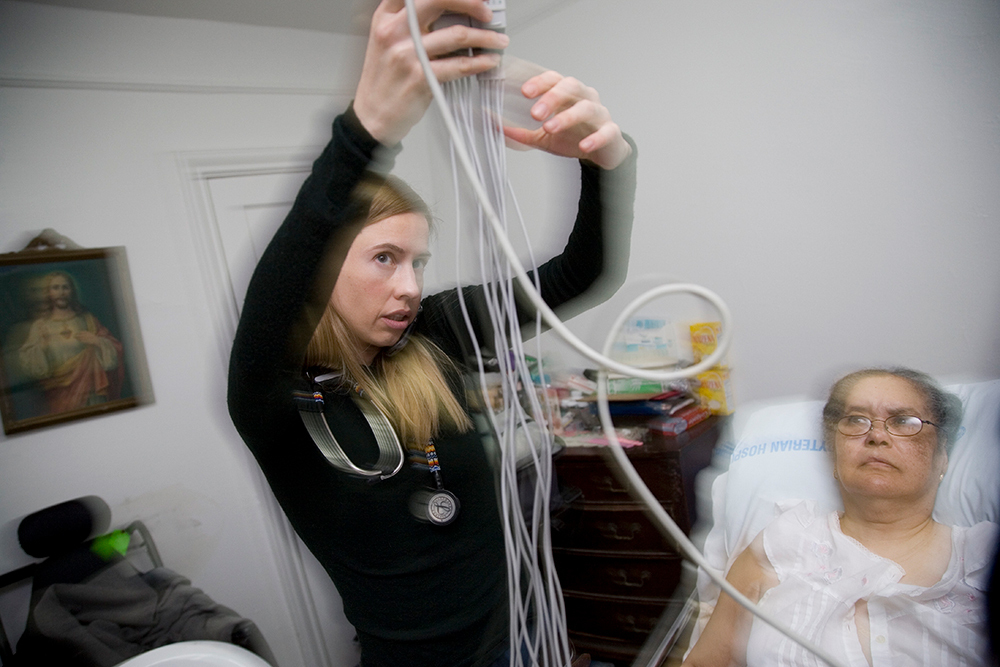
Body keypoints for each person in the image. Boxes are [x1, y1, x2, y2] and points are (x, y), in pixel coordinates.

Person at [226, 1, 637, 665]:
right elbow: (277, 286)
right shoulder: (271, 397)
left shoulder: (433, 334)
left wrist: (606, 161)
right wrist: (366, 129)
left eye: (417, 261)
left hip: (523, 640)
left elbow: (582, 275)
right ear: (320, 270)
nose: (411, 286)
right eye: (384, 259)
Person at [682, 367, 998, 667]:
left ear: (941, 457)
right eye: (857, 420)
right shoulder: (782, 542)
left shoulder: (981, 558)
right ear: (835, 458)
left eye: (903, 421)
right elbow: (704, 661)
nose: (877, 436)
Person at [17, 270, 124, 414]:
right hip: (60, 397)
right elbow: (30, 365)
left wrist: (97, 341)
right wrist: (41, 348)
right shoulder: (40, 326)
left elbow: (116, 349)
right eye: (55, 288)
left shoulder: (87, 320)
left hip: (90, 394)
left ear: (71, 291)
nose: (61, 292)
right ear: (48, 293)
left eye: (65, 287)